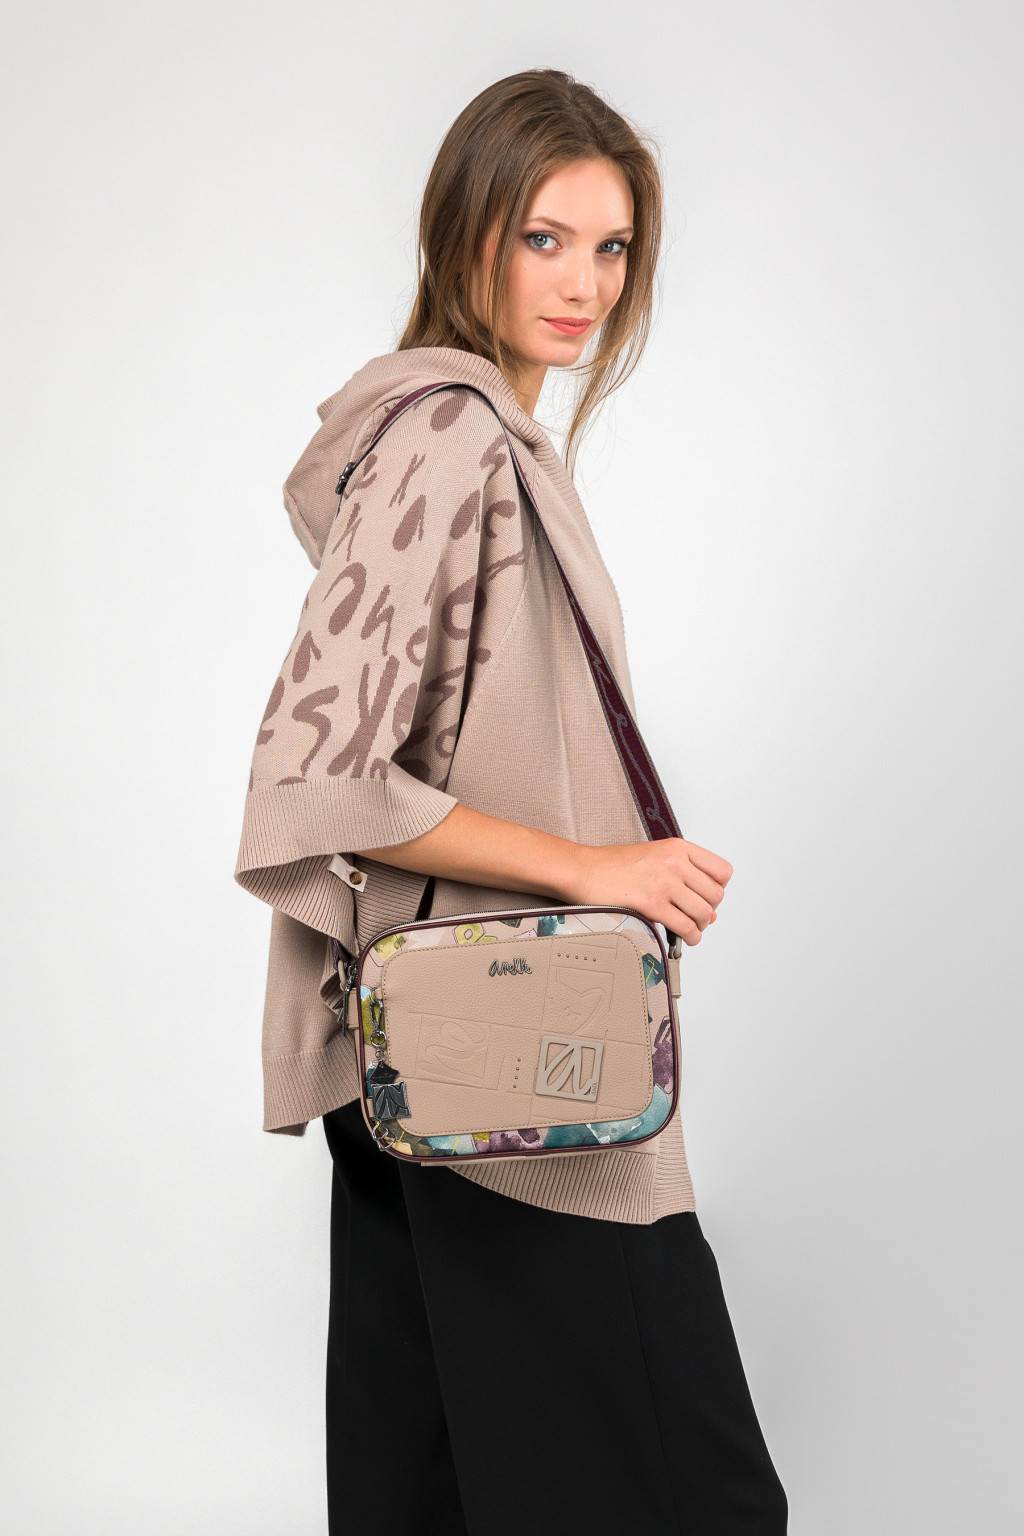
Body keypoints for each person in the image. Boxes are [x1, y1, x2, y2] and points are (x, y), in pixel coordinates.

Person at [233, 67, 788, 1535]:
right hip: (510, 1061)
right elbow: (317, 780)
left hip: (427, 1055)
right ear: (465, 229)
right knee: (689, 1495)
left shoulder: (477, 443)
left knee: (434, 1488)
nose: (586, 285)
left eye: (612, 248)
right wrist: (595, 869)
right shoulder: (450, 439)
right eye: (545, 238)